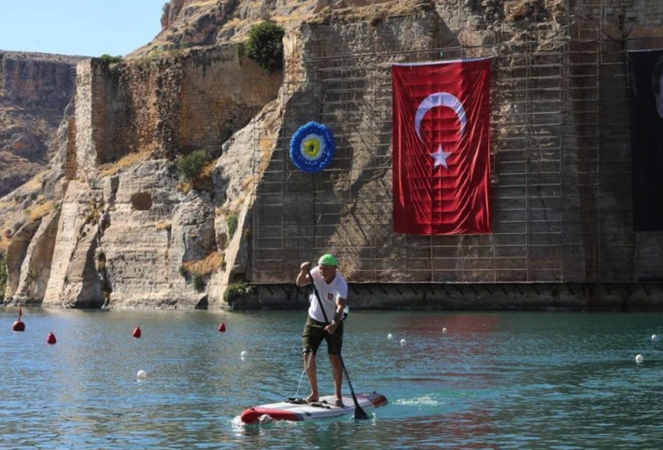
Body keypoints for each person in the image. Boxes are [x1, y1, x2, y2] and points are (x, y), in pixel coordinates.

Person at [295, 254, 348, 407]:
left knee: (334, 358)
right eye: (321, 267)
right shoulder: (316, 272)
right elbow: (300, 283)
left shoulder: (340, 283)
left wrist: (334, 324)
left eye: (325, 268)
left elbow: (340, 307)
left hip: (334, 321)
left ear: (334, 268)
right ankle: (314, 393)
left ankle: (338, 396)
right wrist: (303, 271)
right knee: (307, 354)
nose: (322, 271)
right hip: (314, 319)